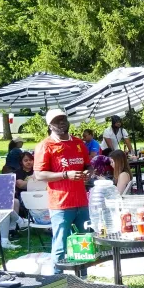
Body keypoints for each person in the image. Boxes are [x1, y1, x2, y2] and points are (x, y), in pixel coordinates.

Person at [33, 109, 92, 264]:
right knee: (60, 245)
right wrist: (66, 174)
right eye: (56, 121)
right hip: (61, 204)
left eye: (63, 119)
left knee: (85, 244)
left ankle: (82, 278)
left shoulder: (79, 143)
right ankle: (56, 281)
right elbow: (39, 175)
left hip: (81, 201)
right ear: (50, 125)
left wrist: (87, 173)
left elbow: (88, 165)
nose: (61, 123)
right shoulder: (45, 146)